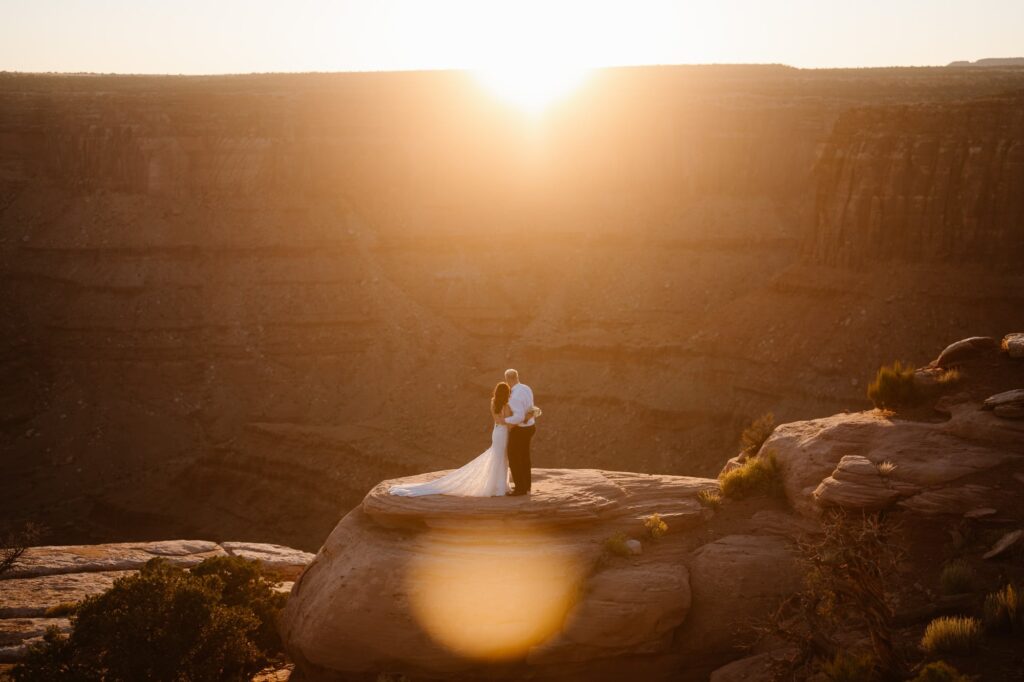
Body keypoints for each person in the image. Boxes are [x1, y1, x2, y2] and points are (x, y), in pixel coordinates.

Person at [388, 381, 514, 497]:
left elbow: (497, 420)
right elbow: (503, 421)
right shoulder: (506, 406)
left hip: (497, 432)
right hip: (502, 433)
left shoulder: (493, 402)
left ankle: (498, 485)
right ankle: (500, 487)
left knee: (499, 457)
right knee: (501, 458)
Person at [502, 368, 537, 496]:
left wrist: (503, 420)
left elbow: (519, 417)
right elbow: (531, 407)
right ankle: (527, 486)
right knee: (525, 457)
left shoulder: (513, 396)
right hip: (531, 427)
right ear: (517, 377)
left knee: (514, 458)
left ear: (508, 379)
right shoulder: (526, 388)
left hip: (520, 430)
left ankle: (520, 489)